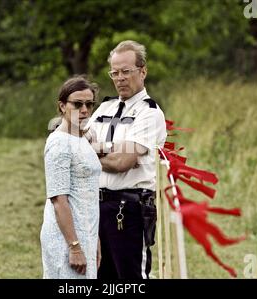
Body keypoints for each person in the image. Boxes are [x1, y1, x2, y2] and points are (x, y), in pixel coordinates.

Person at [86, 40, 167, 279]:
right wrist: (108, 150)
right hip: (96, 205)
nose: (119, 78)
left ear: (143, 71)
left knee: (130, 278)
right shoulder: (103, 109)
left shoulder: (149, 113)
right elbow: (79, 146)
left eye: (126, 71)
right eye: (114, 72)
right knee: (100, 276)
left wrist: (93, 152)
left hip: (129, 208)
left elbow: (123, 163)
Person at [40, 76, 102, 279]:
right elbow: (59, 200)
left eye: (89, 104)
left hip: (85, 232)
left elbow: (87, 193)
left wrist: (95, 239)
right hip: (66, 238)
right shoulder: (59, 143)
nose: (84, 110)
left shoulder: (81, 137)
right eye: (77, 104)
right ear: (62, 106)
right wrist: (74, 246)